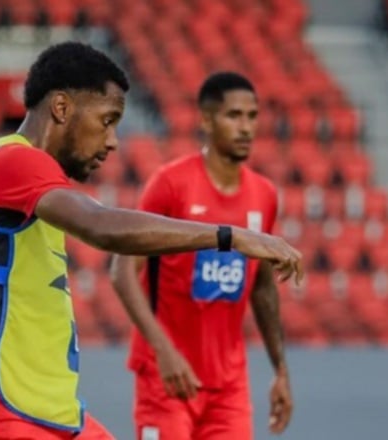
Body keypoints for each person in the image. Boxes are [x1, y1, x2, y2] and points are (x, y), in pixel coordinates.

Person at [0, 45, 303, 440]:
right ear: (62, 108)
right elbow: (100, 225)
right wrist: (229, 235)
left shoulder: (11, 190)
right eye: (107, 120)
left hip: (52, 414)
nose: (113, 142)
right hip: (0, 414)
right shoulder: (13, 162)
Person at [111, 71, 293, 440]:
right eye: (234, 116)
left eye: (252, 116)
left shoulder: (264, 195)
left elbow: (261, 289)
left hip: (228, 387)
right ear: (206, 120)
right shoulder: (171, 184)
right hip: (167, 378)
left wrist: (280, 370)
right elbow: (122, 271)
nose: (246, 127)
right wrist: (163, 350)